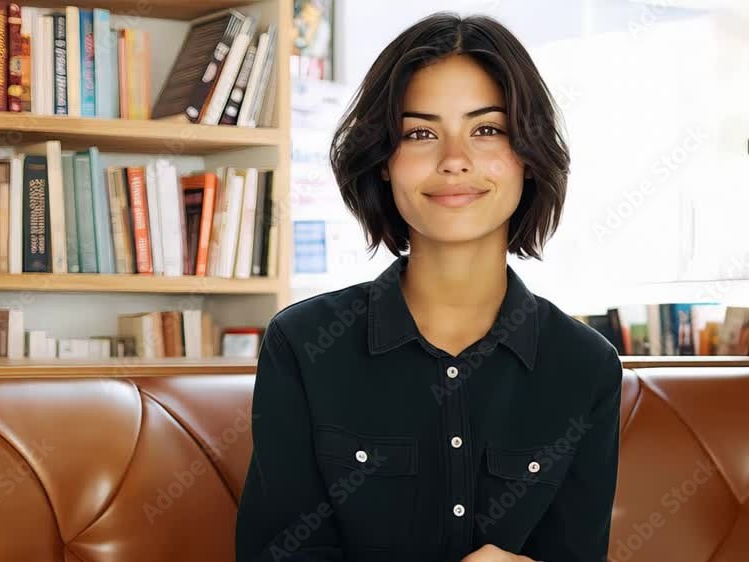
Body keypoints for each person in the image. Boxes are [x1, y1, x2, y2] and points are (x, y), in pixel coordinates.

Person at [235, 11, 623, 562]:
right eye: (420, 133)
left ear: (529, 158)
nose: (455, 161)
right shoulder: (302, 345)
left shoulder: (586, 366)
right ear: (384, 162)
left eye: (486, 129)